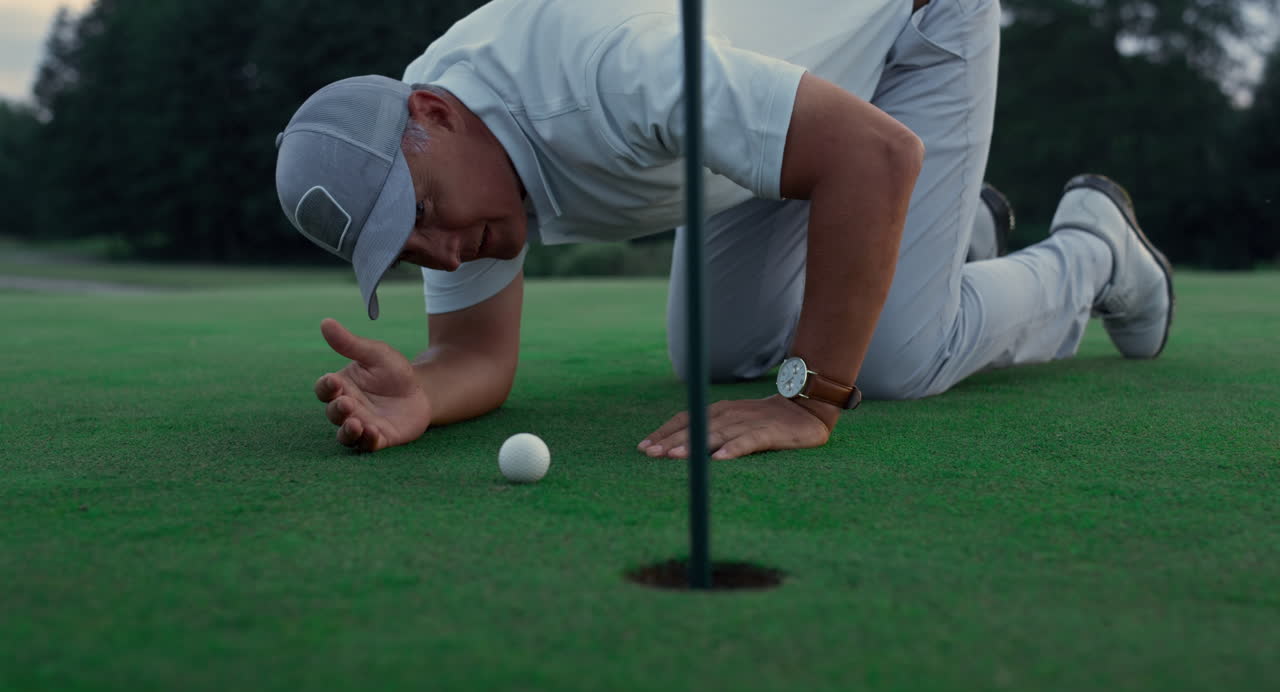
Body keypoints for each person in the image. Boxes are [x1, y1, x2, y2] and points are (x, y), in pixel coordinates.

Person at [274, 0, 1173, 459]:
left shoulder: (606, 72)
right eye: (403, 251)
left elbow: (873, 155)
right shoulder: (438, 148)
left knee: (894, 360)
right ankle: (942, 237)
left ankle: (1095, 252)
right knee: (717, 350)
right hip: (782, 101)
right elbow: (477, 353)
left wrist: (806, 400)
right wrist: (427, 391)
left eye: (422, 217)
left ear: (436, 114)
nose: (440, 253)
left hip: (906, 28)